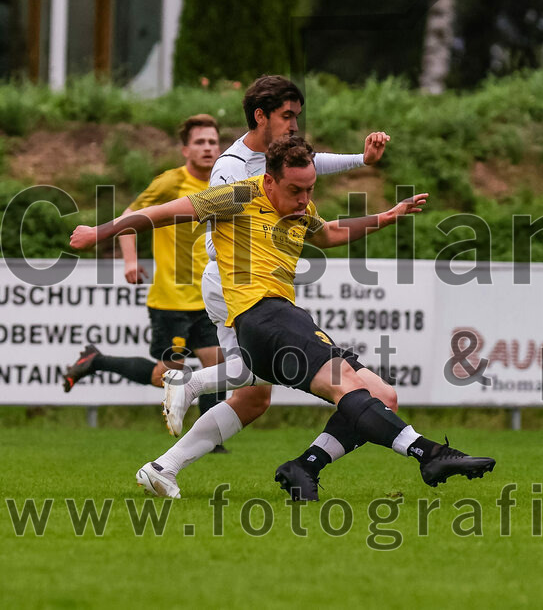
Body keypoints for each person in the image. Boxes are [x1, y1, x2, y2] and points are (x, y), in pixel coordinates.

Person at [70, 136, 495, 500]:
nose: (305, 199)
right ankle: (429, 454)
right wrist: (98, 232)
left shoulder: (299, 206)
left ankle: (302, 466)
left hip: (279, 319)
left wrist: (386, 216)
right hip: (262, 315)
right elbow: (160, 213)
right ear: (269, 180)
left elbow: (328, 234)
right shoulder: (237, 195)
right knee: (344, 386)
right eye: (296, 190)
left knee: (381, 394)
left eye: (310, 189)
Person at [63, 115, 228, 447]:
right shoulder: (170, 182)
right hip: (171, 299)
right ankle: (96, 361)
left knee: (217, 366)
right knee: (166, 376)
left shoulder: (224, 184)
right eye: (200, 142)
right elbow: (128, 218)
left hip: (206, 298)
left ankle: (211, 441)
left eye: (212, 142)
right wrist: (130, 260)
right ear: (185, 150)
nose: (208, 148)